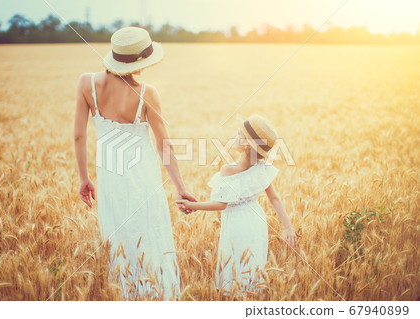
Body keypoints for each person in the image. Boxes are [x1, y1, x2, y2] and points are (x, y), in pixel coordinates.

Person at [74, 26, 197, 300]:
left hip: (109, 176)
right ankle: (158, 295)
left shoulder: (86, 84)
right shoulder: (147, 93)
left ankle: (125, 295)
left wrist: (84, 178)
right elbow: (164, 144)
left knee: (119, 235)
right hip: (144, 177)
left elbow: (79, 135)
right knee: (149, 233)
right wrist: (180, 187)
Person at [176, 114, 301, 296]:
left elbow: (220, 204)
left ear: (247, 144)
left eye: (239, 134)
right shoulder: (261, 168)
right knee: (251, 271)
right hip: (256, 222)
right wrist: (287, 227)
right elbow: (274, 198)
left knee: (234, 269)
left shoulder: (228, 170)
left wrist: (193, 205)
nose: (235, 136)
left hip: (236, 224)